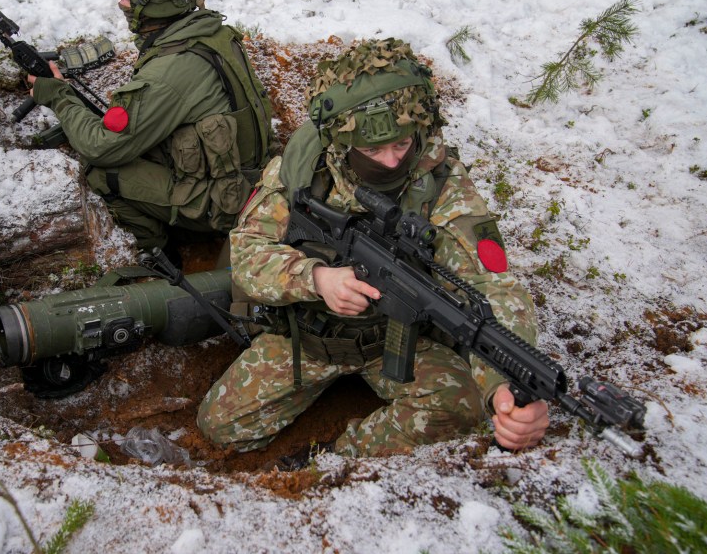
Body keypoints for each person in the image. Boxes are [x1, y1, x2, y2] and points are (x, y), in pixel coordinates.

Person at [197, 38, 549, 459]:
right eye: (371, 150)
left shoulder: (442, 187)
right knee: (220, 426)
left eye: (401, 145)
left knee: (462, 406)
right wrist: (316, 278)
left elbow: (494, 291)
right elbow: (246, 253)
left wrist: (505, 385)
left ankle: (337, 459)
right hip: (308, 337)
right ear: (341, 145)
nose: (389, 162)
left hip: (397, 339)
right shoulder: (305, 169)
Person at [28, 0, 276, 257]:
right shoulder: (213, 34)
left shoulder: (170, 71)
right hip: (250, 182)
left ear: (155, 4)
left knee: (100, 171)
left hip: (227, 204)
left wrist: (58, 96)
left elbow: (102, 147)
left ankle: (156, 252)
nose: (121, 2)